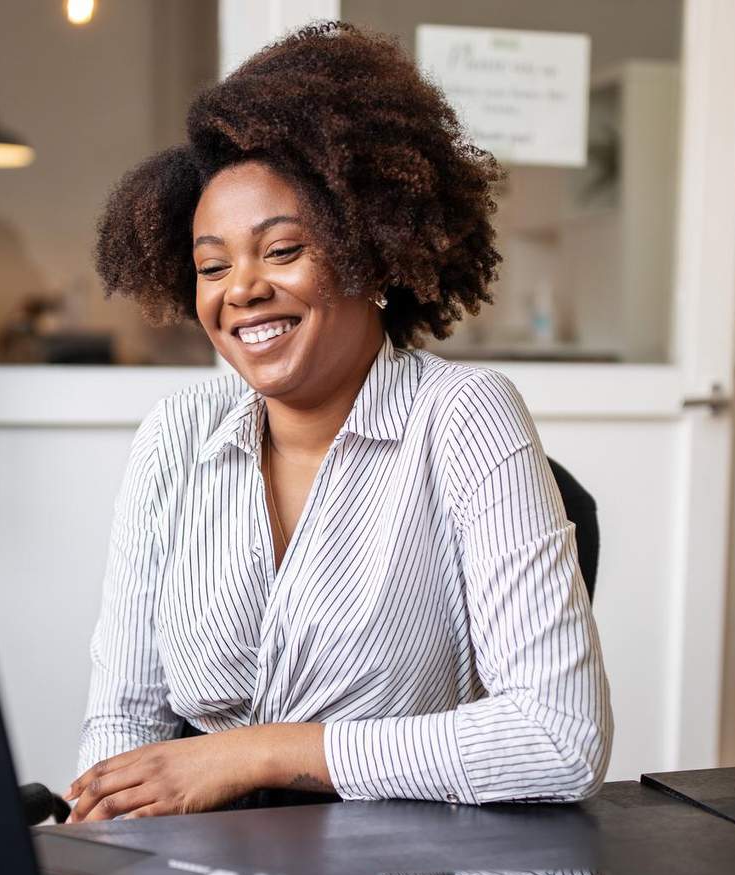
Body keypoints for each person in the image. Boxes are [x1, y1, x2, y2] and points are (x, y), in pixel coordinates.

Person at [65, 22, 611, 822]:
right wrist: (103, 836)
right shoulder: (177, 435)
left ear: (371, 254)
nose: (241, 289)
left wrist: (256, 751)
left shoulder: (465, 418)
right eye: (212, 266)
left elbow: (560, 740)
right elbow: (125, 719)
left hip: (397, 867)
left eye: (281, 251)